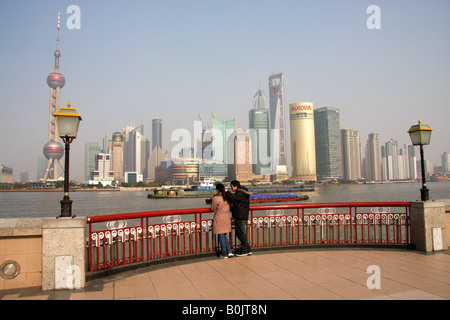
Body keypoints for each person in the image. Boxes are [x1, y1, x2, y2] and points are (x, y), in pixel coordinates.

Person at [226, 180, 252, 256]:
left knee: (241, 233)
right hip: (242, 215)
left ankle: (245, 250)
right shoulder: (243, 192)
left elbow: (233, 198)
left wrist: (227, 192)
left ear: (235, 186)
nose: (231, 188)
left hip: (240, 215)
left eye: (231, 186)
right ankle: (247, 249)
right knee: (239, 233)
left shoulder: (240, 193)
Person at [211, 183, 233, 259]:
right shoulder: (226, 197)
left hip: (219, 218)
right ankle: (229, 251)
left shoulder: (216, 198)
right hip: (227, 218)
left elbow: (213, 208)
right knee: (223, 235)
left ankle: (224, 253)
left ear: (217, 190)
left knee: (220, 235)